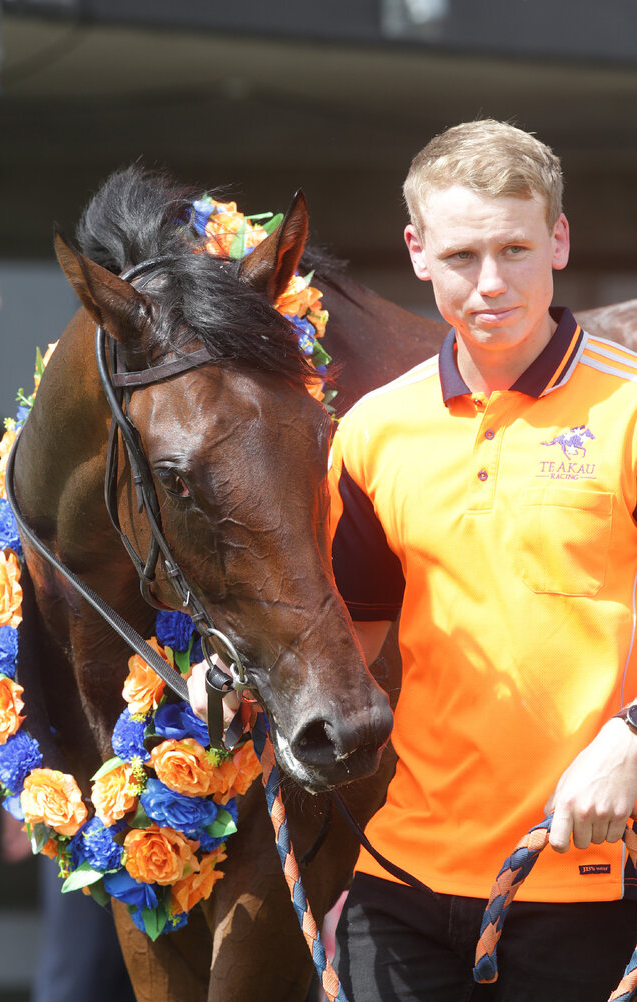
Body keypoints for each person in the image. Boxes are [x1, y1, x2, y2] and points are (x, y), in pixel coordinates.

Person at [326, 119, 637, 1001]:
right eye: (462, 255)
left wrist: (633, 736)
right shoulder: (372, 431)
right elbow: (351, 636)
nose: (491, 283)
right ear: (418, 253)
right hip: (401, 875)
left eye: (516, 248)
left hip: (586, 873)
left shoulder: (630, 410)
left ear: (560, 242)